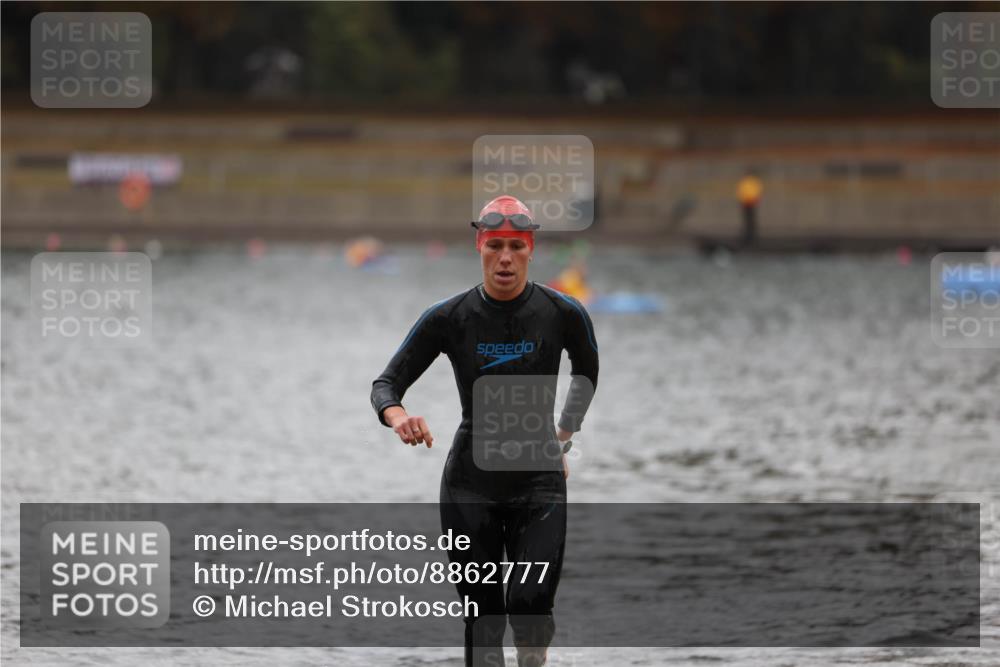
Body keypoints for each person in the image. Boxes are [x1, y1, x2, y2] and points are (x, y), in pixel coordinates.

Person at [370, 195, 599, 667]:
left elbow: (587, 371)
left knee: (531, 606)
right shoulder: (449, 317)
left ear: (531, 248)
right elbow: (386, 384)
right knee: (484, 621)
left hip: (539, 483)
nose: (505, 258)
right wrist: (399, 418)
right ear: (480, 245)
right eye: (495, 245)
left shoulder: (563, 313)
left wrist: (564, 436)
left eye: (516, 245)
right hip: (469, 485)